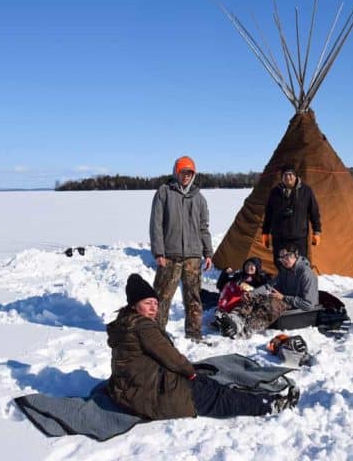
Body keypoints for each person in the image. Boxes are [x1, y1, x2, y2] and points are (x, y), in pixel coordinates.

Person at [106, 274, 299, 420]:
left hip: (129, 392)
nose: (153, 308)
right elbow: (170, 357)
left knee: (208, 381)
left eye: (155, 304)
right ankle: (269, 405)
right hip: (148, 395)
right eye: (147, 303)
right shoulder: (143, 326)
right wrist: (190, 372)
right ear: (134, 305)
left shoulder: (125, 324)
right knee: (214, 395)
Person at [149, 156, 213, 341]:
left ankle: (194, 333)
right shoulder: (164, 192)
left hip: (193, 256)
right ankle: (156, 335)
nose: (186, 176)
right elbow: (156, 225)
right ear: (176, 172)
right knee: (162, 297)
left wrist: (207, 252)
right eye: (183, 172)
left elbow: (204, 228)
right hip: (170, 255)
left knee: (193, 297)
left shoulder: (199, 198)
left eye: (189, 173)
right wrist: (159, 252)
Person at [261, 163, 321, 269]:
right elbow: (269, 213)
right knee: (280, 262)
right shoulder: (275, 192)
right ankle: (284, 283)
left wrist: (317, 231)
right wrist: (265, 232)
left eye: (290, 174)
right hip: (279, 237)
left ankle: (298, 284)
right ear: (282, 177)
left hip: (298, 236)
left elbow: (314, 212)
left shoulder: (306, 191)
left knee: (300, 263)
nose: (288, 177)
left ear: (296, 176)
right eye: (285, 175)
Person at [214, 257, 287, 339]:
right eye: (247, 264)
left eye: (252, 265)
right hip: (234, 301)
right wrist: (225, 273)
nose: (249, 267)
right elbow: (220, 286)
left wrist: (252, 291)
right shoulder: (239, 276)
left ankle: (234, 324)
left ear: (257, 268)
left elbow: (267, 289)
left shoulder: (262, 278)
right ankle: (227, 319)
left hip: (249, 303)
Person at [269, 244, 319, 311]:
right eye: (281, 258)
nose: (284, 260)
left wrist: (283, 297)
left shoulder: (306, 273)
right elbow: (271, 286)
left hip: (302, 314)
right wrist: (253, 293)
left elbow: (309, 305)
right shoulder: (284, 271)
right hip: (287, 306)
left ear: (296, 254)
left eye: (287, 256)